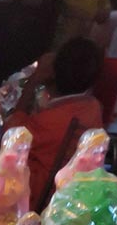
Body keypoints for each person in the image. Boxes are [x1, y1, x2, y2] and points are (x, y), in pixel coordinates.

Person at [6, 37, 104, 209]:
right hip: (70, 201)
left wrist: (35, 79)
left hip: (33, 202)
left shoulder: (49, 121)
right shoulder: (93, 109)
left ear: (53, 73)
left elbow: (9, 135)